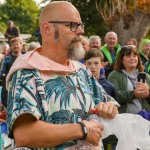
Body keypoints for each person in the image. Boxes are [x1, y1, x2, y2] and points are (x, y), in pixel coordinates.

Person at [6, 1, 119, 150]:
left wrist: (108, 108)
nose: (80, 31)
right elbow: (24, 134)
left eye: (80, 25)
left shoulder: (81, 70)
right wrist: (81, 129)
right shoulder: (27, 72)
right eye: (72, 25)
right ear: (48, 28)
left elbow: (109, 104)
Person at [108, 45, 150, 114]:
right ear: (121, 60)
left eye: (134, 56)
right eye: (128, 56)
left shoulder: (146, 76)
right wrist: (133, 94)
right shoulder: (114, 75)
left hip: (145, 119)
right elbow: (113, 96)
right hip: (125, 119)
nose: (132, 58)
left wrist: (148, 91)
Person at [0, 37, 22, 108]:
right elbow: (1, 74)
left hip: (22, 90)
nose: (16, 46)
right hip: (8, 90)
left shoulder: (26, 59)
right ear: (10, 47)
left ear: (21, 46)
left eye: (17, 44)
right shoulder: (6, 60)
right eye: (13, 44)